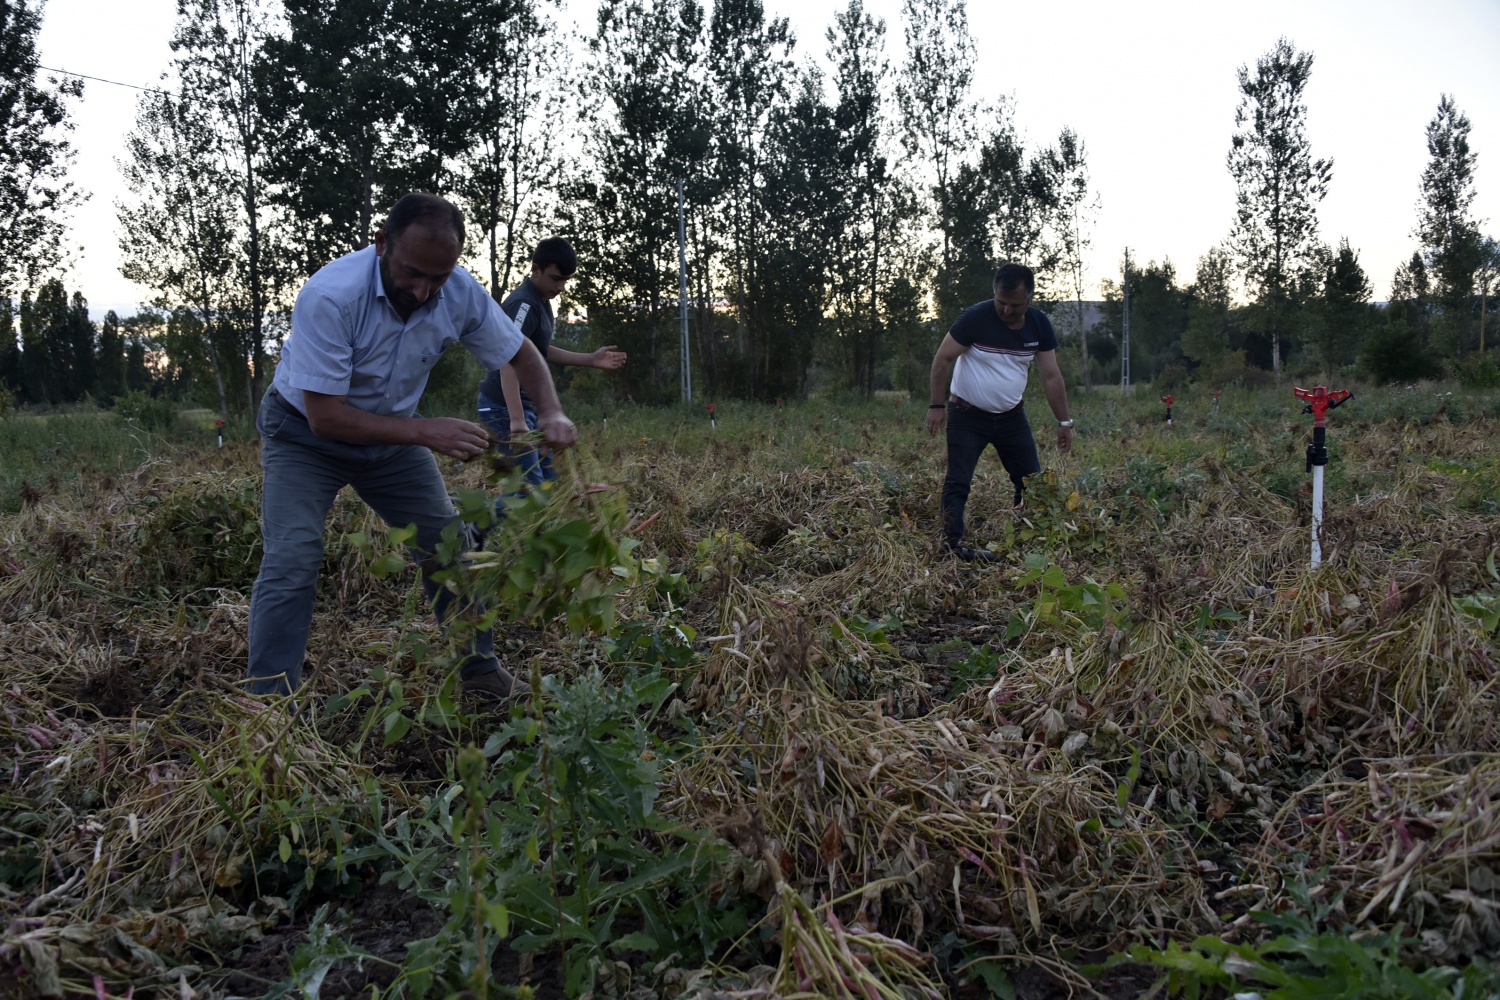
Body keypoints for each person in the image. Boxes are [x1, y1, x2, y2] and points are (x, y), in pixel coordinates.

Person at [245, 193, 577, 701]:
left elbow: (522, 354)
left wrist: (551, 410)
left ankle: (480, 672)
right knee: (294, 558)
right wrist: (426, 431)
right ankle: (269, 701)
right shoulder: (332, 295)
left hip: (390, 438)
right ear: (381, 244)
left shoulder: (460, 293)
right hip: (304, 435)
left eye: (438, 278)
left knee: (449, 546)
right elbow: (326, 416)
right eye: (412, 273)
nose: (423, 291)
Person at [925, 262, 1074, 561]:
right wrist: (937, 406)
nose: (1006, 311)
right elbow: (942, 360)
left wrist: (1064, 421)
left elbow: (1051, 376)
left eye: (1015, 305)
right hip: (967, 415)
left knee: (1031, 482)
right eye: (1001, 303)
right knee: (958, 480)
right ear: (994, 294)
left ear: (1029, 298)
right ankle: (951, 547)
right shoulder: (975, 319)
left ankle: (1026, 542)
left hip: (1011, 418)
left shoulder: (1039, 325)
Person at [476, 237, 625, 487]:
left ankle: (535, 524)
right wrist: (517, 422)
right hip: (504, 408)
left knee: (549, 480)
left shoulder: (541, 301)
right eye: (556, 278)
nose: (562, 287)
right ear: (536, 269)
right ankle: (486, 527)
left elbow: (537, 352)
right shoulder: (523, 304)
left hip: (526, 407)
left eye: (566, 280)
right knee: (527, 488)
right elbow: (508, 359)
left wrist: (590, 359)